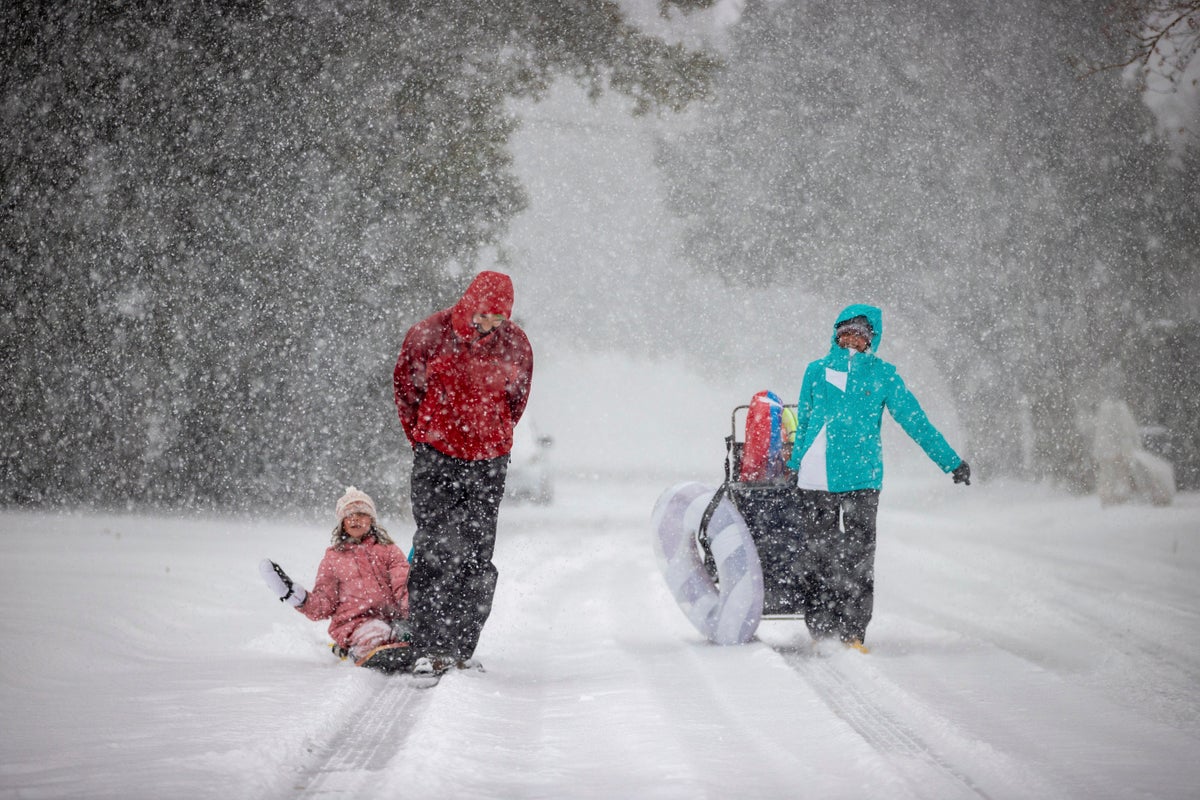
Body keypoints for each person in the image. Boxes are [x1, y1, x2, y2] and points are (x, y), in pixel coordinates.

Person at [786, 304, 970, 653]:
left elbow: (916, 421)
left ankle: (853, 632)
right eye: (847, 331)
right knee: (818, 555)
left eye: (861, 332)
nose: (853, 338)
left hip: (862, 477)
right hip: (816, 476)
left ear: (872, 339)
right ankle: (821, 629)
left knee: (857, 556)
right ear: (837, 333)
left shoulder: (883, 375)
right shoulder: (816, 370)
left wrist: (951, 461)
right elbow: (806, 420)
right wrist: (795, 465)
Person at [393, 270, 533, 670]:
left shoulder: (517, 345)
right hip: (436, 454)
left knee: (476, 554)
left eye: (498, 319)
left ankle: (458, 649)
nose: (488, 326)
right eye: (483, 316)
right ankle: (428, 645)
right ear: (469, 304)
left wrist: (490, 434)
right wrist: (425, 436)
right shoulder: (428, 335)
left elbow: (516, 402)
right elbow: (406, 392)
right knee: (435, 547)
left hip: (489, 461)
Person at [259, 486, 412, 665]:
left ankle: (404, 648)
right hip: (355, 623)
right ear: (342, 524)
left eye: (361, 514)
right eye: (349, 516)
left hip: (393, 617)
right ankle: (367, 651)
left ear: (371, 519)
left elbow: (403, 585)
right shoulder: (334, 558)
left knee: (411, 632)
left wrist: (414, 610)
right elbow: (324, 604)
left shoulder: (389, 550)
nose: (355, 519)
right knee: (377, 634)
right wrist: (298, 597)